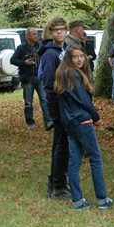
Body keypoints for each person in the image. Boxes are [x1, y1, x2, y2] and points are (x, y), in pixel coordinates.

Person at [55, 45, 114, 211]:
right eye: (75, 57)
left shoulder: (63, 73)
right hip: (81, 120)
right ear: (69, 59)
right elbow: (83, 100)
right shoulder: (73, 74)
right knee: (95, 158)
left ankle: (77, 200)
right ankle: (102, 199)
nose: (79, 59)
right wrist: (96, 116)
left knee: (74, 160)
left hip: (70, 122)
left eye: (81, 56)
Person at [39, 17, 71, 199]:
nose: (59, 32)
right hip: (58, 105)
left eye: (62, 29)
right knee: (61, 144)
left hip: (67, 103)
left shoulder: (64, 50)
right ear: (50, 33)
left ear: (66, 31)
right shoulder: (50, 54)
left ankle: (56, 181)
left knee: (61, 143)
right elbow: (49, 83)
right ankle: (58, 186)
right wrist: (55, 108)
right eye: (55, 30)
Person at [11, 27, 51, 130]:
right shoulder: (21, 48)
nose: (37, 35)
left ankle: (48, 122)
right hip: (27, 78)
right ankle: (30, 123)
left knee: (44, 99)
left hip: (39, 77)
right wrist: (24, 63)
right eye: (34, 34)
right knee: (28, 101)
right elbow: (13, 60)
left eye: (37, 33)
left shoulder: (40, 46)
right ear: (28, 36)